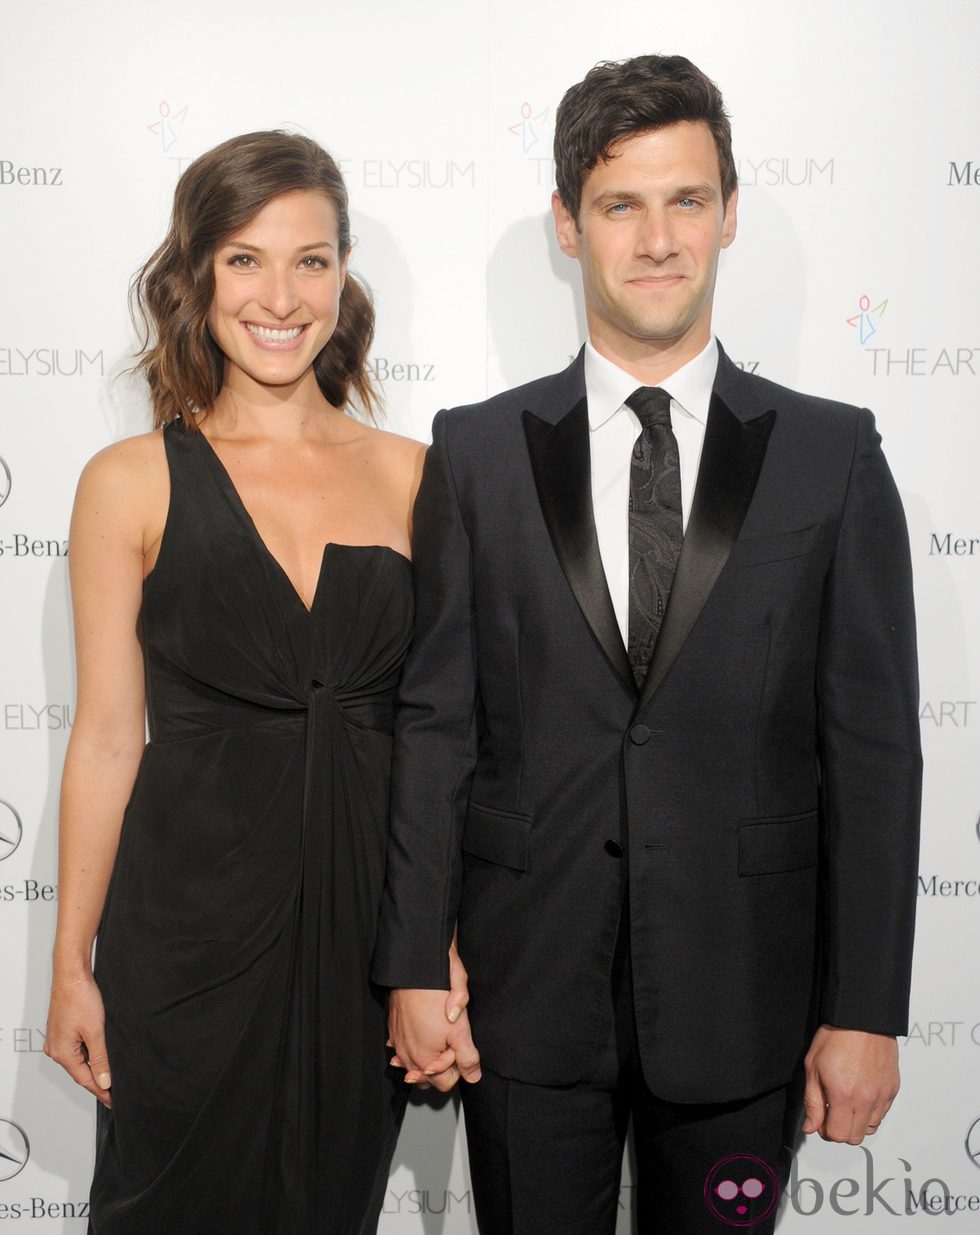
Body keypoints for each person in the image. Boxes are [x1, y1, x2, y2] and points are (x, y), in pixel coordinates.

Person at [373, 55, 921, 1234]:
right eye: (620, 203)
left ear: (729, 211)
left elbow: (873, 752)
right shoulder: (472, 451)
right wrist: (415, 960)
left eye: (685, 200)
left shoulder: (830, 454)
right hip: (525, 1000)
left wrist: (866, 1006)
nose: (658, 237)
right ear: (567, 226)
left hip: (747, 999)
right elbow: (435, 725)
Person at [43, 131, 461, 1235]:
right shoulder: (128, 482)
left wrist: (437, 943)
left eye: (310, 260)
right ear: (194, 277)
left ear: (343, 276)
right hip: (181, 943)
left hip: (359, 943)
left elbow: (444, 741)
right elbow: (104, 737)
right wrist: (68, 964)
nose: (280, 295)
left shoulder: (418, 477)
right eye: (244, 259)